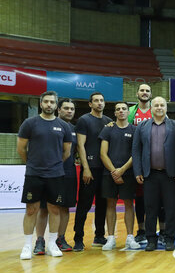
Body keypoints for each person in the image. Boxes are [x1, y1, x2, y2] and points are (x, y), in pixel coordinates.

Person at [17, 91, 72, 259]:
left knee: (54, 209)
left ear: (56, 105)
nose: (49, 104)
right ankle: (27, 246)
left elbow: (67, 152)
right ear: (41, 104)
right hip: (34, 174)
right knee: (31, 210)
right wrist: (32, 164)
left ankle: (52, 244)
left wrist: (53, 165)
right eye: (46, 102)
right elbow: (21, 149)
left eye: (52, 102)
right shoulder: (29, 123)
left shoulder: (64, 126)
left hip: (56, 174)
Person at [132, 96, 175, 251]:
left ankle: (169, 238)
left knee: (170, 209)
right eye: (156, 105)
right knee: (150, 208)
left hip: (170, 175)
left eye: (162, 105)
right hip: (149, 175)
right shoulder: (142, 126)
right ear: (151, 108)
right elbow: (136, 150)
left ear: (166, 108)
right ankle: (151, 240)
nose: (159, 107)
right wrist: (138, 171)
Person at [33, 98, 78, 254]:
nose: (69, 111)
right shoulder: (47, 125)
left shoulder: (74, 129)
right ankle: (40, 241)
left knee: (64, 208)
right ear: (59, 109)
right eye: (66, 108)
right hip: (48, 173)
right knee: (44, 208)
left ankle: (60, 238)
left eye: (72, 109)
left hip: (68, 174)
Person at [73, 92, 112, 251]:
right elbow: (80, 145)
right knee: (84, 205)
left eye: (102, 100)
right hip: (90, 169)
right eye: (96, 101)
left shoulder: (109, 122)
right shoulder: (84, 120)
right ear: (90, 104)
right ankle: (78, 239)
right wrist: (86, 168)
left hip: (105, 171)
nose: (99, 103)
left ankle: (99, 236)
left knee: (103, 204)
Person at [99, 102, 139, 250]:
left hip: (128, 173)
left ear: (129, 112)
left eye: (124, 109)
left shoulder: (135, 130)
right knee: (110, 205)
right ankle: (110, 238)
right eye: (118, 109)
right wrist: (114, 172)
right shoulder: (107, 130)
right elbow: (103, 153)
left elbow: (136, 153)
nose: (121, 111)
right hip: (109, 174)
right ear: (114, 113)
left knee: (129, 204)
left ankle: (130, 237)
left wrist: (122, 170)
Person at [127, 83, 153, 243]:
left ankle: (159, 230)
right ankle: (141, 229)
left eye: (147, 91)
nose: (144, 93)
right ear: (137, 93)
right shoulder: (130, 112)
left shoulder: (157, 110)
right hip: (136, 160)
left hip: (154, 160)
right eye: (142, 90)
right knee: (140, 198)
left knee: (157, 199)